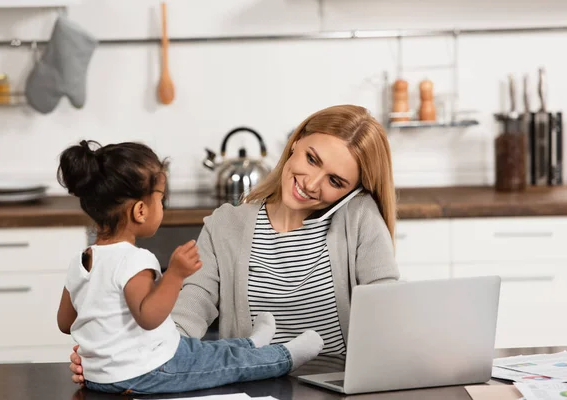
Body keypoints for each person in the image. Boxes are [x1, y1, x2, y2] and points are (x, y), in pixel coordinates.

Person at [69, 104, 400, 384]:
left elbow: (388, 310)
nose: (311, 184)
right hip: (253, 387)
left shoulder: (359, 218)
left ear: (352, 191)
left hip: (339, 384)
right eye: (312, 159)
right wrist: (133, 356)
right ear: (295, 143)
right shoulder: (226, 224)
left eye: (335, 181)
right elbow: (190, 309)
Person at [57, 140, 323, 394]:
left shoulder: (81, 260)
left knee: (202, 350)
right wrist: (175, 274)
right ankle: (286, 356)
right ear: (140, 211)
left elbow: (65, 322)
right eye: (160, 199)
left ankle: (251, 343)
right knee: (225, 366)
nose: (162, 206)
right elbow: (149, 318)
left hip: (99, 377)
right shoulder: (134, 260)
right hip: (148, 371)